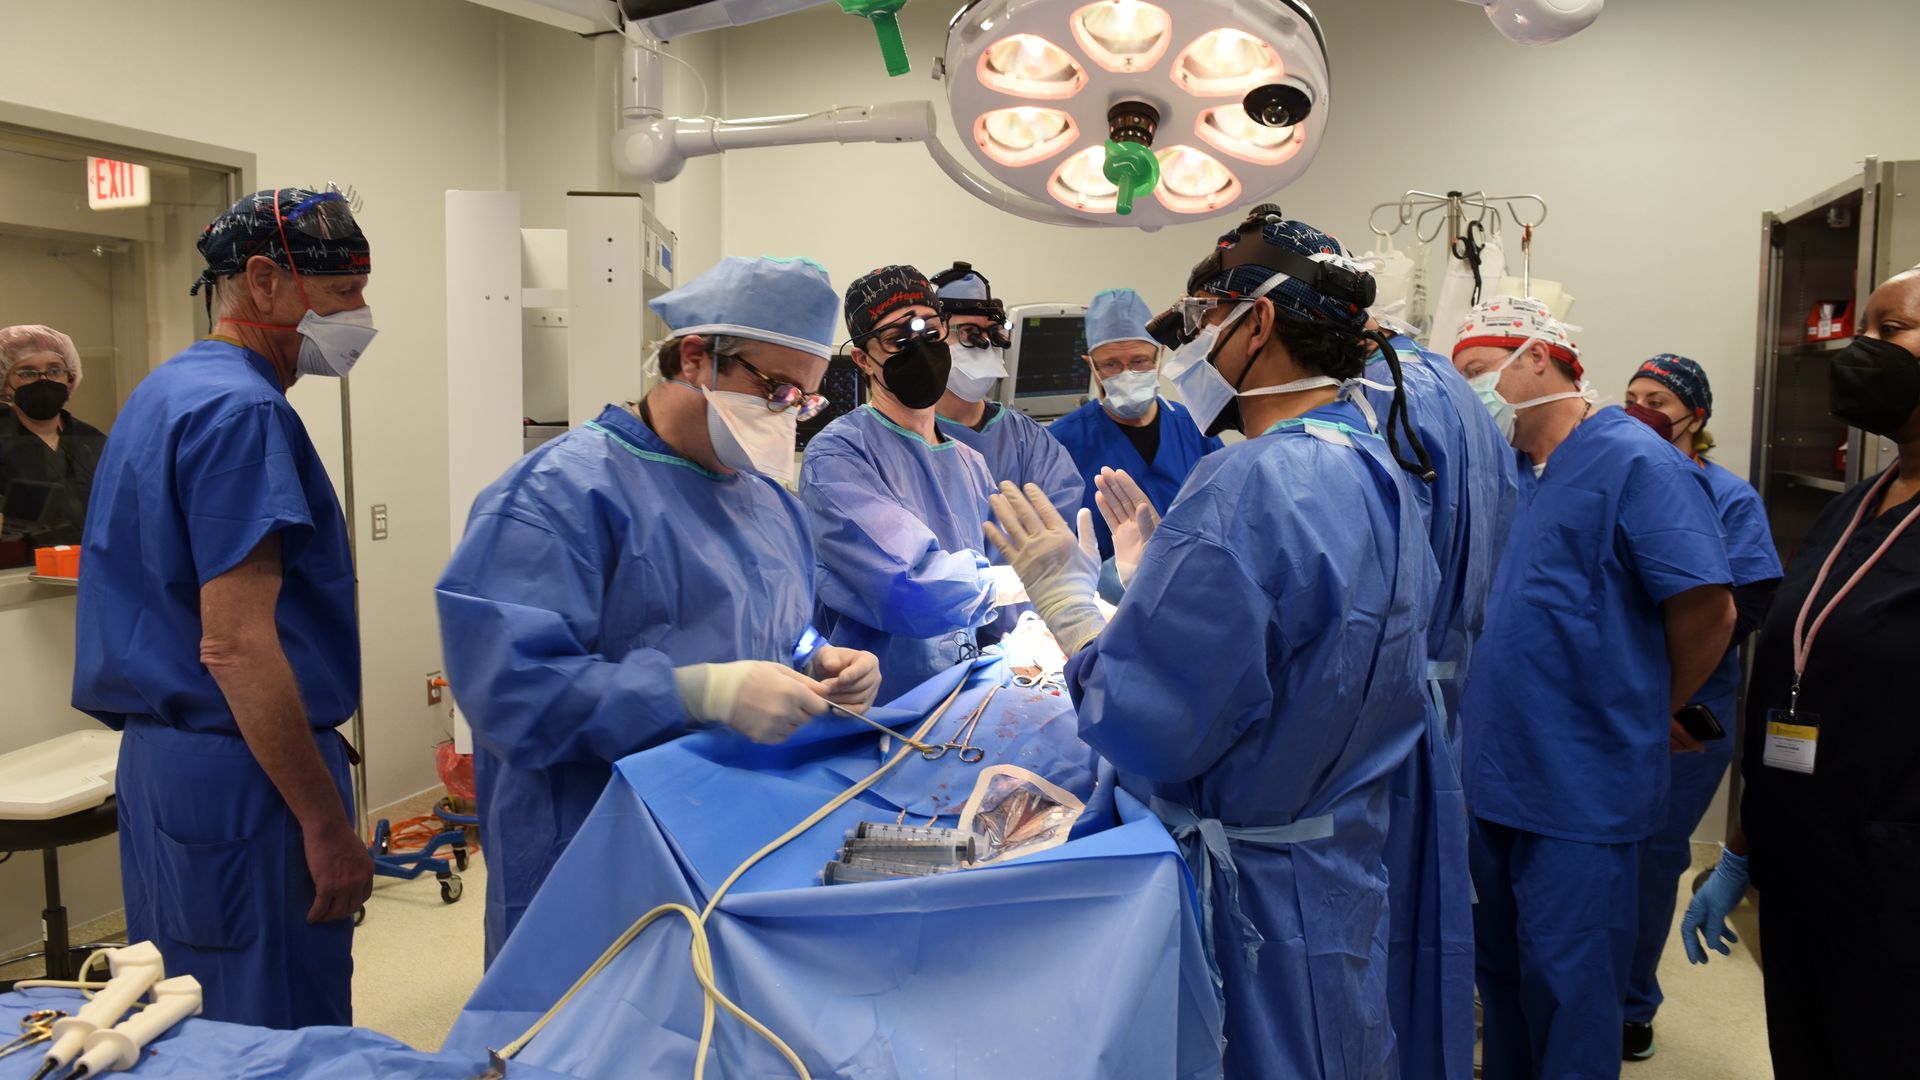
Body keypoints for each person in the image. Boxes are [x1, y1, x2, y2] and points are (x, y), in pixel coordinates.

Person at [989, 213, 1439, 1078]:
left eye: (1198, 323)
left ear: (1257, 323)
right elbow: (1304, 648)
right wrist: (1170, 573)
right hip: (1335, 870)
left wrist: (1066, 597)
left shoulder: (1251, 480)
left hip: (1253, 907)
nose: (1182, 350)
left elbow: (1151, 722)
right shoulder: (1373, 465)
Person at [436, 256, 880, 966]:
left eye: (806, 400)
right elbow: (509, 691)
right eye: (776, 389)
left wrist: (816, 659)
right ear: (696, 358)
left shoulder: (765, 500)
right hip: (594, 848)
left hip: (730, 835)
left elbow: (771, 624)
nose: (788, 415)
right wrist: (701, 692)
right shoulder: (557, 496)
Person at [72, 188, 378, 1028]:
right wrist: (325, 823)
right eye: (345, 293)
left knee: (184, 1015)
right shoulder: (243, 412)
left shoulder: (165, 392)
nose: (361, 315)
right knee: (270, 1025)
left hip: (169, 772)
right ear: (265, 282)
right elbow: (239, 648)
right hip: (248, 776)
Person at [1450, 296, 1736, 1079]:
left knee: (1571, 989)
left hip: (1583, 784)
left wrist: (1647, 703)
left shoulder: (1636, 462)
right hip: (1498, 776)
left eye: (1476, 374)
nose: (1469, 393)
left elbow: (1710, 610)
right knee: (1501, 980)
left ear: (1537, 358)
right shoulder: (1511, 472)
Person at [1682, 267, 1920, 1079]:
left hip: (1895, 891)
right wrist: (1746, 846)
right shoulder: (1855, 504)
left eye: (1892, 331)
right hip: (1803, 865)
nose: (1866, 350)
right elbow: (1803, 674)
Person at [1359, 318, 1518, 1080]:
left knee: (1380, 962)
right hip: (1428, 715)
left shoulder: (1374, 423)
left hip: (1378, 738)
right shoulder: (1455, 406)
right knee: (1421, 947)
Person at [1617, 353, 1780, 1061]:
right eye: (1630, 396)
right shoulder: (1615, 479)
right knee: (1595, 852)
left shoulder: (1728, 496)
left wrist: (1672, 682)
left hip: (1693, 706)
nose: (1641, 408)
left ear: (1696, 417)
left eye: (1656, 398)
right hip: (1614, 698)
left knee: (1653, 856)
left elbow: (1747, 602)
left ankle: (1631, 1005)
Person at [800, 265, 1000, 695]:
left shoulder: (970, 463)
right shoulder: (837, 457)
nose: (920, 348)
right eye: (897, 340)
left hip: (964, 694)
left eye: (930, 330)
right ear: (862, 359)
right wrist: (1004, 584)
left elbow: (1002, 581)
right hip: (878, 707)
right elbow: (905, 587)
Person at [1048, 288, 1222, 561]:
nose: (1127, 373)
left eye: (1139, 361)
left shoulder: (1199, 430)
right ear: (1091, 365)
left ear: (1159, 355)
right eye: (1112, 364)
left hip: (1190, 589)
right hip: (1099, 599)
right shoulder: (1058, 444)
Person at [929, 262, 1081, 522]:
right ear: (933, 337)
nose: (985, 344)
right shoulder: (912, 438)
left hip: (1030, 565)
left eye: (992, 332)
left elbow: (1059, 515)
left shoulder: (1029, 438)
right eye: (969, 332)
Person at [0, 325, 106, 561]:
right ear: (6, 383)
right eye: (27, 372)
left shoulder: (93, 441)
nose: (44, 380)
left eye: (55, 370)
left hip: (88, 572)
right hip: (17, 581)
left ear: (70, 378)